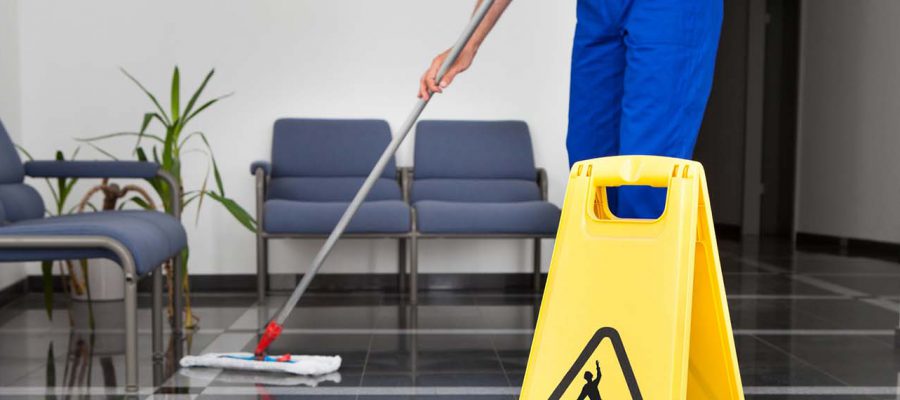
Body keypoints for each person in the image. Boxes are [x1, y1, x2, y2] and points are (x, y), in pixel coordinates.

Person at [419, 0, 723, 219]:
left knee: (646, 174)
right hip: (600, 9)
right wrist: (469, 42)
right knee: (589, 165)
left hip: (671, 9)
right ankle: (601, 300)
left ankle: (643, 302)